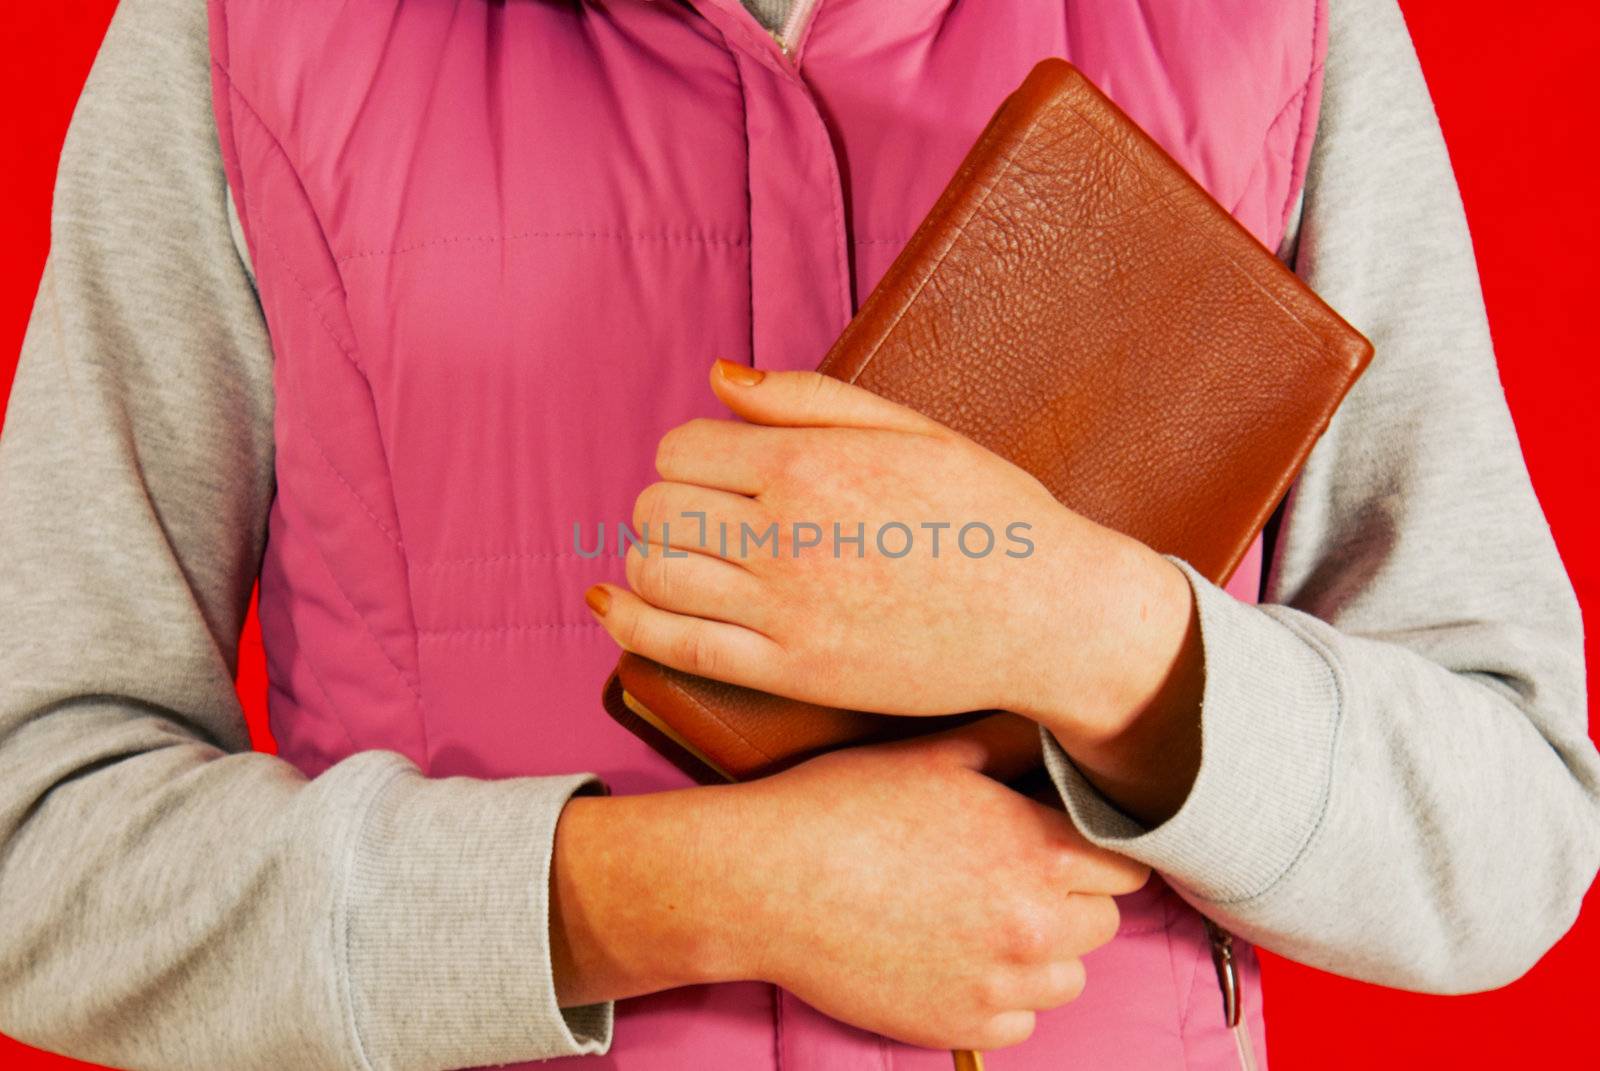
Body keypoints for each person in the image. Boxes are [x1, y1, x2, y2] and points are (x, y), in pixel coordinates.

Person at [1, 1, 1596, 1069]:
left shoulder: (1283, 27)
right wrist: (673, 893)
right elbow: (35, 841)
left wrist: (1084, 625)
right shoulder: (242, 34)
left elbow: (1513, 830)